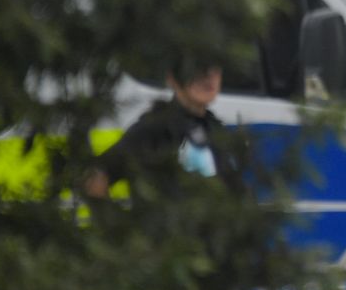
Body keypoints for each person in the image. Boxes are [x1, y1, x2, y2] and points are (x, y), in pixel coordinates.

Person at [84, 64, 241, 199]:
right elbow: (96, 176)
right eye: (198, 69)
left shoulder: (214, 127)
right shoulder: (155, 126)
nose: (209, 77)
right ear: (172, 78)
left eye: (214, 69)